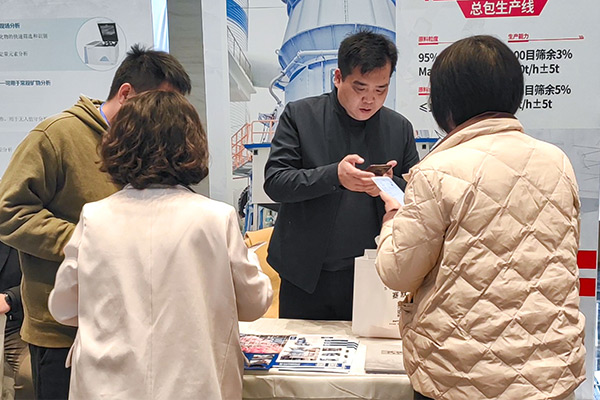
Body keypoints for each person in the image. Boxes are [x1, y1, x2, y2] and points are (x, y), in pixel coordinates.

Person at [375, 35, 585, 400]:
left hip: (462, 375)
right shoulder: (558, 162)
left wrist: (393, 217)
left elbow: (398, 272)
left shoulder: (437, 170)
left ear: (445, 103)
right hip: (551, 372)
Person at [48, 90, 273, 400]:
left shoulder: (95, 217)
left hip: (106, 386)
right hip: (195, 386)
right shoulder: (215, 218)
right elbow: (254, 303)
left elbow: (62, 307)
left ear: (117, 145)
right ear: (192, 145)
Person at [0, 45, 191, 400]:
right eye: (158, 103)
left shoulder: (150, 145)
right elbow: (8, 212)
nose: (164, 116)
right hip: (63, 330)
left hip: (133, 326)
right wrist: (83, 240)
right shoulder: (56, 136)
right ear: (126, 93)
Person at [264, 30, 419, 321]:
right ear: (338, 77)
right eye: (360, 88)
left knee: (368, 345)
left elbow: (417, 196)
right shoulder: (300, 116)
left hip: (373, 271)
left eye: (381, 89)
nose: (369, 99)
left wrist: (388, 185)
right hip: (305, 273)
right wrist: (334, 175)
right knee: (302, 347)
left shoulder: (399, 128)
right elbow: (276, 182)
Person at [1, 241, 32, 400]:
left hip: (15, 327)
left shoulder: (20, 234)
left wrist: (10, 298)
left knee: (30, 376)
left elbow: (44, 281)